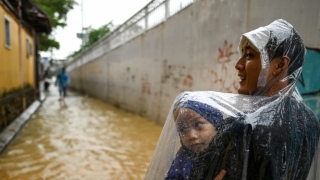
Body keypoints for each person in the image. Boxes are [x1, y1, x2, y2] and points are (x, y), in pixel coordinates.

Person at [234, 19, 320, 179]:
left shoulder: (249, 122)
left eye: (249, 55)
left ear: (281, 64)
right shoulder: (310, 121)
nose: (238, 65)